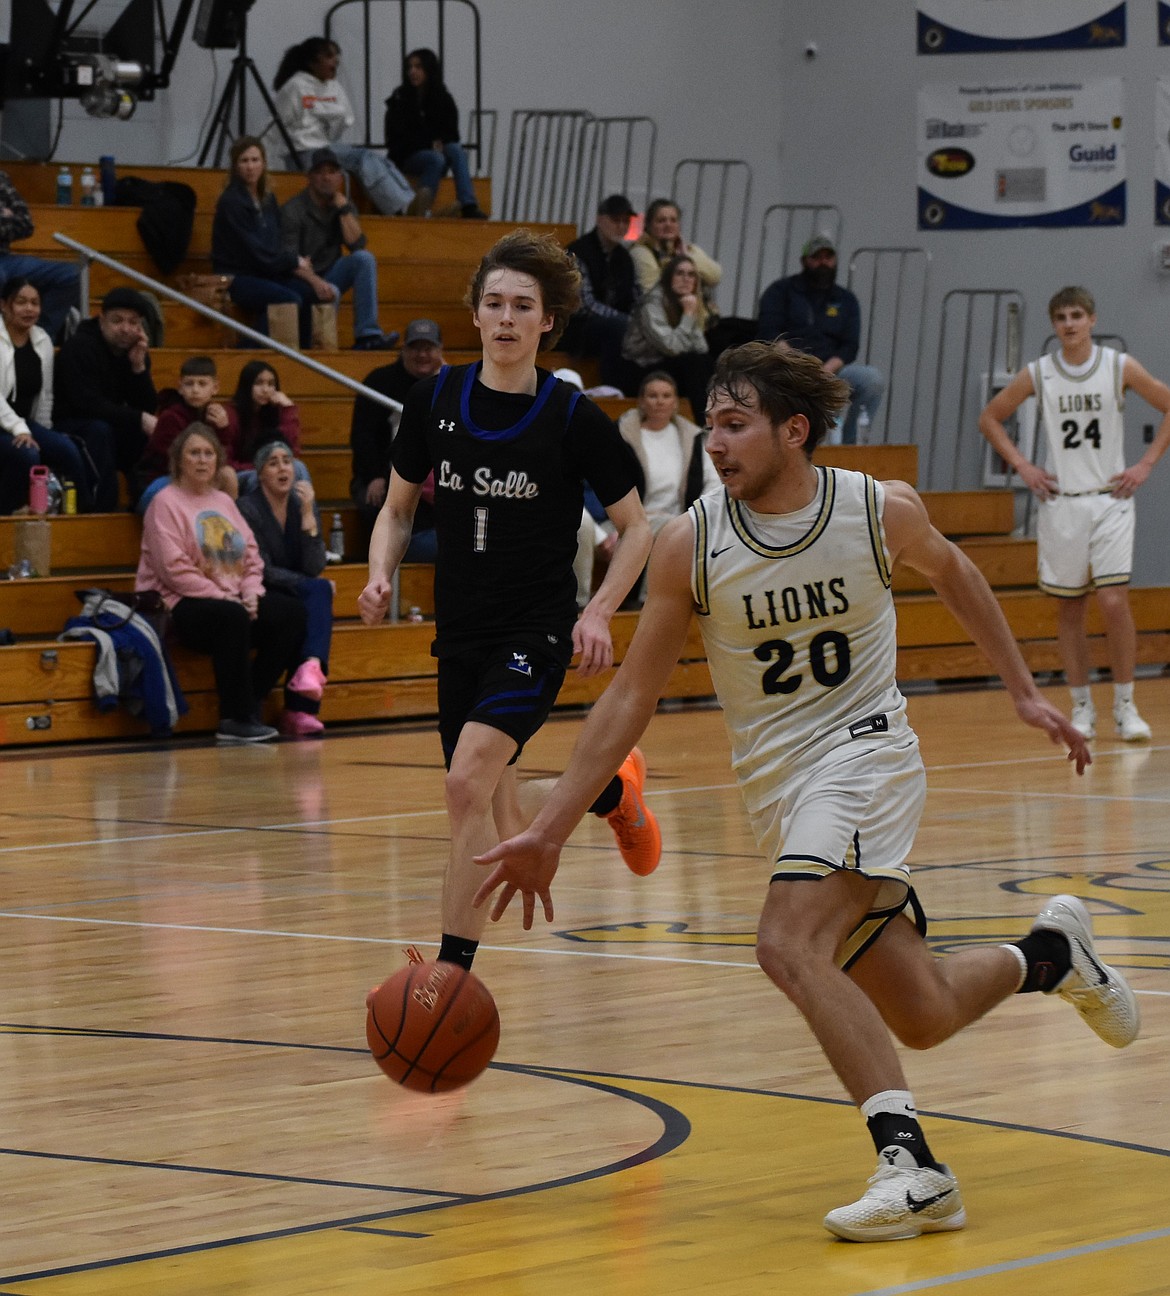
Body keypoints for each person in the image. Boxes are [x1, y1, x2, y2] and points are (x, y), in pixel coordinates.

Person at [475, 341, 1138, 1244]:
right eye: (712, 424)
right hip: (784, 793)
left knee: (785, 944)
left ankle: (913, 1168)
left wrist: (1024, 692)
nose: (716, 441)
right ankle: (1053, 954)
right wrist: (551, 826)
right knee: (926, 1010)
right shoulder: (690, 542)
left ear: (795, 431)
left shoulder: (874, 509)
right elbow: (631, 694)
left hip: (867, 757)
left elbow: (958, 575)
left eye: (736, 423)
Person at [357, 228, 660, 975]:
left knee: (466, 781)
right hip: (461, 630)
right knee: (492, 803)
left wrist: (596, 613)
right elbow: (397, 511)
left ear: (546, 321)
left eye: (521, 305)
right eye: (492, 302)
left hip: (537, 628)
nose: (504, 317)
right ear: (475, 315)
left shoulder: (570, 418)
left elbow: (638, 527)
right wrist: (378, 574)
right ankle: (611, 789)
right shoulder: (434, 402)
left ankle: (450, 976)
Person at [979, 285, 1170, 743]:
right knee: (1070, 608)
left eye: (1077, 315)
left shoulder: (1118, 366)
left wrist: (1145, 464)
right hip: (1061, 503)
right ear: (1053, 325)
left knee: (1112, 601)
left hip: (1110, 500)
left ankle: (1126, 705)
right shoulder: (1040, 372)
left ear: (1092, 319)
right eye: (1061, 316)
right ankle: (1081, 706)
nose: (1069, 323)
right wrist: (1023, 465)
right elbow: (991, 417)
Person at [135, 423, 309, 744]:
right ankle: (234, 718)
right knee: (231, 618)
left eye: (208, 454)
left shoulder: (224, 501)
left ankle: (250, 700)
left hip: (231, 599)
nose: (202, 460)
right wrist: (225, 597)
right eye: (194, 453)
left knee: (291, 613)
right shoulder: (165, 502)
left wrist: (251, 592)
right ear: (179, 460)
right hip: (178, 603)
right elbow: (173, 569)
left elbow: (252, 555)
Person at [238, 440, 333, 737]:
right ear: (261, 473)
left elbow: (315, 564)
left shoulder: (301, 502)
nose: (283, 468)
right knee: (317, 593)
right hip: (260, 587)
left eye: (287, 461)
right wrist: (305, 584)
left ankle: (307, 679)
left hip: (295, 589)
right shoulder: (247, 507)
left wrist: (309, 519)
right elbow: (261, 566)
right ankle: (301, 706)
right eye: (274, 462)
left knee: (315, 595)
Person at [756, 234, 885, 445]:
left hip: (831, 372)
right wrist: (799, 367)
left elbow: (850, 346)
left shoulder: (846, 299)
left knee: (872, 380)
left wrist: (824, 373)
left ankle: (850, 444)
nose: (823, 262)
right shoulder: (780, 291)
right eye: (817, 257)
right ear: (805, 261)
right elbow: (768, 332)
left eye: (828, 257)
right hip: (787, 369)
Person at [212, 136, 334, 350]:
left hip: (265, 272)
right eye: (244, 161)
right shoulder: (231, 202)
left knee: (308, 293)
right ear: (235, 166)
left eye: (255, 160)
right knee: (288, 299)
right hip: (237, 277)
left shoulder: (268, 200)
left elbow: (276, 245)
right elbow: (256, 252)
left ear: (264, 164)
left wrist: (295, 263)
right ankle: (245, 349)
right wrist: (293, 260)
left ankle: (303, 353)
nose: (250, 166)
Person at [270, 38, 414, 216]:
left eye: (336, 56)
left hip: (325, 146)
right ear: (312, 62)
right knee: (362, 158)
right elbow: (278, 127)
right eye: (329, 56)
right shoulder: (295, 86)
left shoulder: (334, 87)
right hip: (303, 152)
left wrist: (332, 118)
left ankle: (408, 202)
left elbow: (344, 122)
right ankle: (400, 206)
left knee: (375, 158)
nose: (336, 61)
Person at [280, 147, 400, 351]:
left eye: (332, 172)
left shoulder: (343, 205)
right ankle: (324, 344)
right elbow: (287, 259)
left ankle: (367, 335)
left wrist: (343, 209)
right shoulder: (293, 210)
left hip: (330, 272)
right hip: (301, 278)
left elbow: (357, 244)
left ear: (339, 177)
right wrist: (316, 282)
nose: (327, 178)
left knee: (364, 259)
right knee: (331, 290)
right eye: (320, 172)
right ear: (310, 177)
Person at [54, 287, 157, 511]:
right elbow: (86, 403)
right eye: (117, 321)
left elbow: (147, 407)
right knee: (100, 431)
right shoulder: (80, 347)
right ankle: (101, 510)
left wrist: (138, 368)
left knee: (142, 433)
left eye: (133, 322)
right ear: (102, 320)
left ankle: (146, 502)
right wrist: (138, 417)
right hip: (68, 422)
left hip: (105, 423)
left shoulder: (135, 351)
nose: (126, 329)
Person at [349, 318, 444, 558]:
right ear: (403, 350)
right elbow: (362, 435)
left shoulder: (449, 386)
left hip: (436, 479)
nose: (422, 354)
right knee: (377, 501)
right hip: (384, 474)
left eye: (428, 348)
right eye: (415, 348)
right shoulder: (379, 381)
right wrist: (374, 476)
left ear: (440, 352)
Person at [0, 277, 92, 514]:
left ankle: (84, 516)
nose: (29, 309)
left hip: (26, 424)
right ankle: (10, 513)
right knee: (27, 454)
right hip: (9, 425)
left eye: (35, 303)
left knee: (67, 449)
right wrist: (20, 429)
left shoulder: (42, 340)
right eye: (21, 302)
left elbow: (45, 395)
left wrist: (44, 431)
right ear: (4, 305)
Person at [383, 47, 488, 219]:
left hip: (435, 154)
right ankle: (421, 208)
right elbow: (398, 139)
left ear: (428, 69)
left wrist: (435, 142)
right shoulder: (400, 99)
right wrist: (430, 143)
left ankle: (468, 204)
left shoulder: (442, 98)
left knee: (455, 149)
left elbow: (451, 134)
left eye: (418, 67)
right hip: (407, 157)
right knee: (435, 158)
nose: (412, 72)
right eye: (410, 67)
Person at [136, 354, 240, 511]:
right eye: (189, 384)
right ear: (180, 387)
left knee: (230, 475)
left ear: (215, 387)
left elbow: (225, 458)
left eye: (202, 384)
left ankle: (227, 526)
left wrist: (223, 430)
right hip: (160, 482)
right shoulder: (170, 417)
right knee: (223, 475)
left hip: (197, 477)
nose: (195, 390)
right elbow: (176, 462)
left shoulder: (217, 416)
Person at [562, 193, 641, 392]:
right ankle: (613, 390)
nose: (621, 226)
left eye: (626, 221)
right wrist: (625, 320)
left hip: (613, 326)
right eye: (616, 220)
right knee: (618, 328)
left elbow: (635, 298)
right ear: (599, 219)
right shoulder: (577, 251)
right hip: (577, 329)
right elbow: (583, 304)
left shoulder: (625, 258)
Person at [622, 255, 712, 421]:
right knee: (693, 363)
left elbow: (701, 348)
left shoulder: (688, 303)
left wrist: (691, 313)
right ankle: (703, 422)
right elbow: (671, 347)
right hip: (639, 369)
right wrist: (688, 316)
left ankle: (709, 418)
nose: (686, 279)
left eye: (691, 274)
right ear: (668, 277)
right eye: (680, 273)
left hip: (670, 366)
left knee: (704, 361)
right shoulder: (651, 305)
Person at [0, 168, 81, 343]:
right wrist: (5, 217)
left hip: (5, 259)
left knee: (71, 274)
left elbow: (25, 223)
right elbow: (14, 222)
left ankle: (37, 339)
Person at [230, 359, 310, 495]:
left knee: (298, 467)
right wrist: (262, 466)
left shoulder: (275, 412)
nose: (265, 389)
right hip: (243, 473)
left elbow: (291, 451)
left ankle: (307, 515)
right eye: (259, 383)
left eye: (271, 384)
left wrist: (287, 408)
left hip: (269, 468)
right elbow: (227, 463)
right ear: (247, 385)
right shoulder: (232, 414)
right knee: (257, 478)